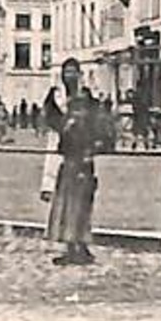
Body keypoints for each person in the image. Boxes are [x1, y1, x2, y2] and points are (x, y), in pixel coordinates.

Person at [43, 59, 116, 266]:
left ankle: (80, 246)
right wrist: (50, 106)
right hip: (69, 158)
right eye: (67, 72)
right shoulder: (61, 98)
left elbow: (92, 125)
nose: (70, 76)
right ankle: (72, 245)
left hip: (82, 157)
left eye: (73, 72)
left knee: (81, 203)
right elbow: (55, 123)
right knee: (68, 203)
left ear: (79, 74)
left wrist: (90, 148)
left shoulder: (85, 100)